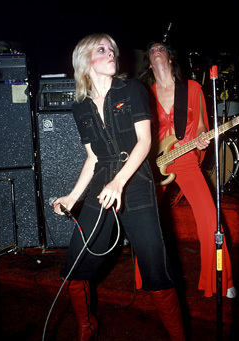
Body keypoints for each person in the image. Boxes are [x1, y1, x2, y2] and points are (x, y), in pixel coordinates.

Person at [52, 33, 185, 340]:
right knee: (76, 264)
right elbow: (92, 158)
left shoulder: (132, 88)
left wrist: (119, 181)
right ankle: (87, 325)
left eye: (111, 49)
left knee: (155, 265)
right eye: (102, 49)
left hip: (134, 179)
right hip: (102, 182)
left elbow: (145, 142)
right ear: (85, 61)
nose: (111, 53)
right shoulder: (80, 107)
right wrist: (72, 197)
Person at [139, 42, 236, 298]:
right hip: (154, 162)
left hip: (185, 158)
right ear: (150, 62)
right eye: (152, 49)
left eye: (161, 48)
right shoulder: (144, 93)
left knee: (209, 218)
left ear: (170, 58)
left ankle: (221, 280)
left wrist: (203, 137)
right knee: (145, 219)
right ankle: (146, 277)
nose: (156, 50)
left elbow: (202, 125)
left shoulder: (192, 88)